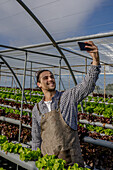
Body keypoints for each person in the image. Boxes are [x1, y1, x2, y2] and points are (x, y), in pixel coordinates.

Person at [32, 41, 101, 168]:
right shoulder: (37, 109)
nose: (50, 79)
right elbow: (36, 138)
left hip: (70, 160)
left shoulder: (67, 97)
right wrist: (35, 161)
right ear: (39, 85)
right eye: (45, 78)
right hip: (48, 162)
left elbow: (87, 85)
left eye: (51, 76)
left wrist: (95, 61)